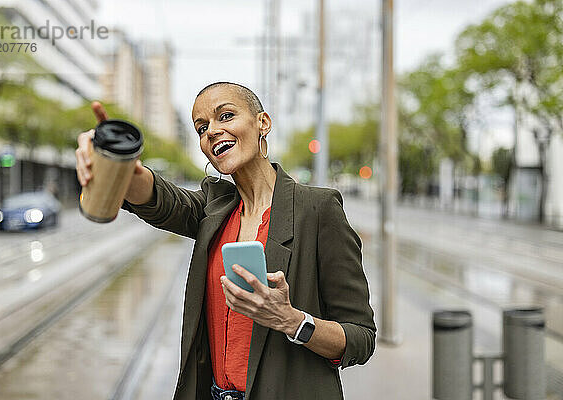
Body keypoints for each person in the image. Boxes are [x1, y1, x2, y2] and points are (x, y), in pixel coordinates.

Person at [75, 82, 376, 400]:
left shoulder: (318, 209)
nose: (212, 132)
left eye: (226, 116)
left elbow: (360, 338)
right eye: (202, 127)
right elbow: (159, 198)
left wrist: (291, 320)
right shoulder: (213, 207)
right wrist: (119, 163)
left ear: (263, 123)